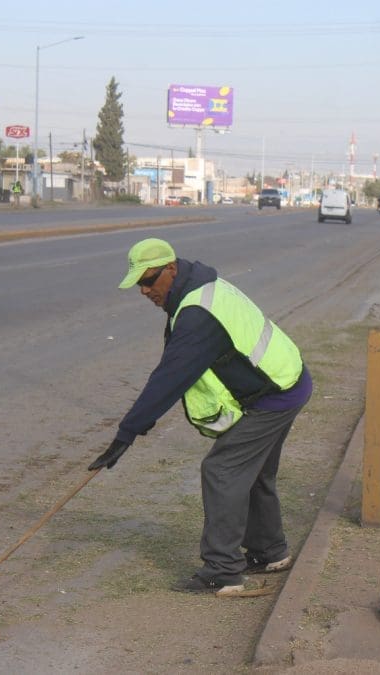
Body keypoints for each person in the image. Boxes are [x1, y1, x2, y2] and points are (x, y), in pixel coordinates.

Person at [88, 238, 312, 597]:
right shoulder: (200, 287)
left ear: (171, 269)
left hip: (275, 395)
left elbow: (169, 378)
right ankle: (269, 552)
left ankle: (223, 572)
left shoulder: (197, 313)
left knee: (222, 470)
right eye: (139, 284)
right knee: (252, 471)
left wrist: (127, 433)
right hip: (285, 380)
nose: (145, 290)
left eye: (149, 280)